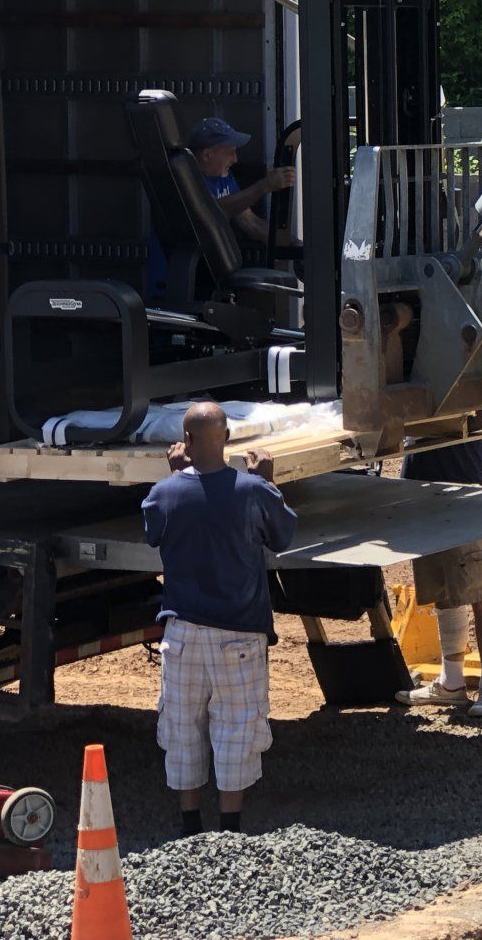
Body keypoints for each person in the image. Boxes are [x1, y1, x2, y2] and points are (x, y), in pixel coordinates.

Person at [141, 401, 297, 835]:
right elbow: (282, 535)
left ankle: (189, 825)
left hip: (183, 634)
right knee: (237, 726)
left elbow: (154, 529)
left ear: (185, 442)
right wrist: (268, 482)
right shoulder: (252, 491)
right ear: (227, 438)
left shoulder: (165, 492)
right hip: (239, 633)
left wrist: (175, 476)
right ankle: (230, 828)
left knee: (182, 726)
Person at [396, 438, 482, 718]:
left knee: (479, 590)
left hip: (461, 491)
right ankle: (451, 682)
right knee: (442, 589)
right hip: (424, 490)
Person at [147, 117, 296, 297]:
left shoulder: (224, 177)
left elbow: (251, 224)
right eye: (230, 153)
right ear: (207, 155)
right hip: (176, 283)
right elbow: (211, 213)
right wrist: (265, 186)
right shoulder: (186, 182)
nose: (235, 159)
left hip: (208, 279)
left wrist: (296, 244)